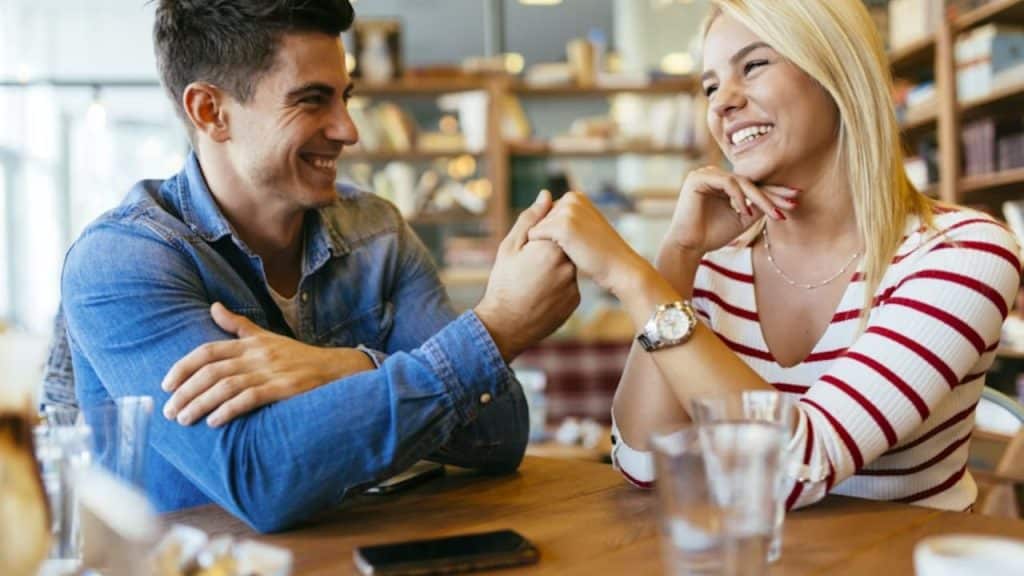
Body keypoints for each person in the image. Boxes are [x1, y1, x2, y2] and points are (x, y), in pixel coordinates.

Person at [58, 0, 579, 533]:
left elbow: (500, 430)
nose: (348, 130)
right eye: (312, 101)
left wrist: (339, 365)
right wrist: (495, 330)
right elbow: (260, 476)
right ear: (210, 112)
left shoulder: (377, 234)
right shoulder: (123, 261)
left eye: (345, 98)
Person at [528, 0, 1022, 511]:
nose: (721, 104)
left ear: (837, 71)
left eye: (754, 65)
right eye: (711, 86)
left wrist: (627, 275)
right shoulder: (714, 266)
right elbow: (646, 465)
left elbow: (795, 468)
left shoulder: (962, 252)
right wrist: (679, 253)